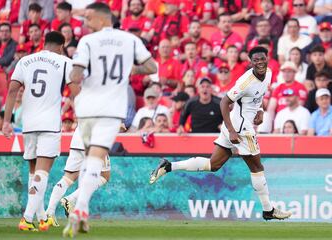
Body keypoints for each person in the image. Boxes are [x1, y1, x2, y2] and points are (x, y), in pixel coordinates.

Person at [149, 46, 292, 221]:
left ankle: (169, 166)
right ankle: (268, 210)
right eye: (256, 60)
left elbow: (259, 95)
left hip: (236, 124)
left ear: (267, 58)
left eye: (262, 59)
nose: (260, 63)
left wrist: (260, 110)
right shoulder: (245, 81)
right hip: (240, 127)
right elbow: (224, 102)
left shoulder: (268, 73)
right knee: (257, 168)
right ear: (250, 62)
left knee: (213, 165)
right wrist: (232, 130)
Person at [63, 3, 157, 237]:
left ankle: (79, 208)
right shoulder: (129, 40)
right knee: (96, 158)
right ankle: (81, 208)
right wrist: (129, 71)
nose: (85, 22)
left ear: (101, 18)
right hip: (112, 108)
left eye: (88, 17)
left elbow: (75, 75)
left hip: (87, 107)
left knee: (89, 157)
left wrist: (81, 75)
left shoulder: (87, 42)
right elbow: (151, 66)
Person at [2, 31, 72, 232]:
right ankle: (27, 217)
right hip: (49, 122)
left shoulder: (25, 61)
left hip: (28, 123)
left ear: (44, 42)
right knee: (43, 171)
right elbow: (75, 88)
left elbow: (13, 90)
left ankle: (42, 218)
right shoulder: (63, 61)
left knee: (33, 171)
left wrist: (7, 121)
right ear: (61, 45)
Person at [46, 126, 111, 226]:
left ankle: (49, 213)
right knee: (104, 176)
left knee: (68, 177)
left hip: (77, 138)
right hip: (93, 140)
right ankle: (71, 199)